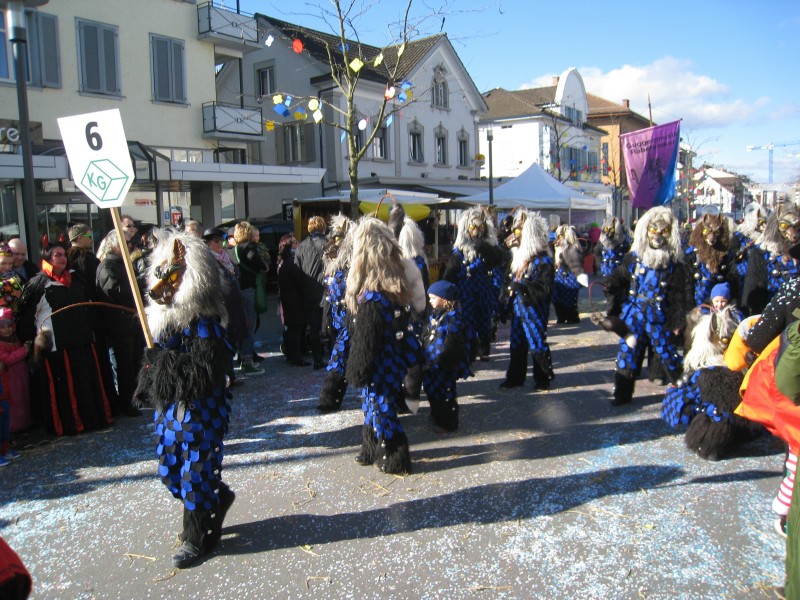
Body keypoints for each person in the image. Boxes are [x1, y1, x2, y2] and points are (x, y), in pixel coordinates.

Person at [133, 228, 235, 569]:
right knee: (171, 471)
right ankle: (217, 498)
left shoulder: (206, 324)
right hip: (170, 411)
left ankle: (199, 536)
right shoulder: (166, 324)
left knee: (195, 474)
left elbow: (203, 373)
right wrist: (152, 360)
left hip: (200, 412)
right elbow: (156, 369)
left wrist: (162, 362)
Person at [345, 217, 419, 475]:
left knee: (381, 406)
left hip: (381, 362)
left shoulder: (375, 298)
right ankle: (370, 449)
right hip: (392, 358)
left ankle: (397, 457)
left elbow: (366, 339)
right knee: (371, 405)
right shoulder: (394, 289)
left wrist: (357, 368)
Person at [17, 242, 115, 435]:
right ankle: (70, 425)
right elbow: (26, 317)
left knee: (87, 385)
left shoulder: (76, 278)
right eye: (57, 255)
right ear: (47, 258)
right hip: (57, 347)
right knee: (65, 390)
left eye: (64, 254)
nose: (62, 258)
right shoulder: (39, 284)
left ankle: (92, 421)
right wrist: (31, 340)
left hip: (83, 341)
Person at [602, 206, 691, 406]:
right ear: (645, 230)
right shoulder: (634, 257)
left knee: (668, 354)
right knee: (627, 353)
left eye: (663, 231)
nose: (658, 236)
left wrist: (678, 320)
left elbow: (680, 294)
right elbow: (621, 275)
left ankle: (687, 393)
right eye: (653, 230)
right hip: (634, 313)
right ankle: (622, 395)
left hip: (659, 316)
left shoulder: (675, 264)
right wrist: (609, 283)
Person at [499, 209, 555, 391]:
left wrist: (522, 289)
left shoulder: (543, 261)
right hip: (518, 309)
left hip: (534, 309)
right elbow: (508, 279)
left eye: (519, 232)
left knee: (537, 341)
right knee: (516, 342)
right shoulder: (518, 260)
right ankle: (515, 377)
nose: (515, 236)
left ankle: (543, 378)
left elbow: (543, 289)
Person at [95, 231, 145, 418]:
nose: (129, 246)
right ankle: (126, 402)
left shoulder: (122, 264)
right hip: (119, 323)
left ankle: (134, 398)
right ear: (114, 246)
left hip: (130, 322)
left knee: (134, 362)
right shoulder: (107, 266)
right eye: (125, 242)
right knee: (124, 365)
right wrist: (138, 283)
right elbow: (113, 292)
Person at [443, 207, 503, 362]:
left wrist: (483, 247)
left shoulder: (490, 248)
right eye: (473, 227)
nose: (477, 231)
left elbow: (498, 260)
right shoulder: (459, 251)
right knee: (467, 321)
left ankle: (484, 348)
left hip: (484, 290)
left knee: (484, 320)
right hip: (465, 291)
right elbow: (451, 273)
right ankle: (469, 351)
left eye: (480, 227)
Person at [422, 280, 471, 432]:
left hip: (443, 363)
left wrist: (446, 360)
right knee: (431, 390)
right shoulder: (434, 316)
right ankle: (437, 415)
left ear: (444, 299)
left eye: (433, 298)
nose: (430, 301)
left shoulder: (453, 319)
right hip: (431, 362)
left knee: (445, 392)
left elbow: (454, 343)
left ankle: (448, 422)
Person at [318, 214, 353, 412]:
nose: (333, 243)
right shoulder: (332, 267)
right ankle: (331, 397)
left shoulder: (352, 265)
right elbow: (329, 295)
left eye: (338, 239)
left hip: (351, 320)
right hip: (338, 321)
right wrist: (327, 318)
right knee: (339, 357)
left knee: (339, 358)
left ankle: (330, 398)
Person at [203, 227, 246, 383]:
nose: (220, 243)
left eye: (220, 240)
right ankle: (225, 378)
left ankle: (230, 376)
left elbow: (236, 273)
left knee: (232, 340)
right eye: (215, 241)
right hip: (221, 308)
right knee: (223, 343)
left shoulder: (225, 257)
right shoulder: (208, 261)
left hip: (233, 306)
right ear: (208, 244)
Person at [231, 221, 265, 376]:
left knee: (240, 325)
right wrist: (263, 266)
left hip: (237, 290)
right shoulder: (248, 248)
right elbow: (257, 262)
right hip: (249, 289)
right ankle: (247, 361)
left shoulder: (234, 249)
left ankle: (240, 356)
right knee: (249, 327)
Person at [295, 216, 328, 369]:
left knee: (314, 329)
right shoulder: (329, 244)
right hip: (327, 290)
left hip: (308, 292)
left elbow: (297, 271)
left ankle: (317, 359)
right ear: (323, 227)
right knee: (332, 326)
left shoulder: (301, 247)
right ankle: (335, 357)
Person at [0, 307, 28, 465]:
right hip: (5, 381)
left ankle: (6, 447)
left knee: (10, 410)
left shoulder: (14, 339)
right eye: (2, 327)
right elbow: (6, 359)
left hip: (14, 379)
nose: (6, 329)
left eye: (8, 326)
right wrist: (23, 351)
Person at [276, 234, 307, 367]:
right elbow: (298, 281)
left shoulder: (282, 261)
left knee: (290, 328)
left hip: (286, 298)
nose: (297, 243)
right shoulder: (291, 262)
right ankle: (295, 357)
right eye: (294, 242)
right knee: (295, 328)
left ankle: (291, 354)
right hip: (293, 299)